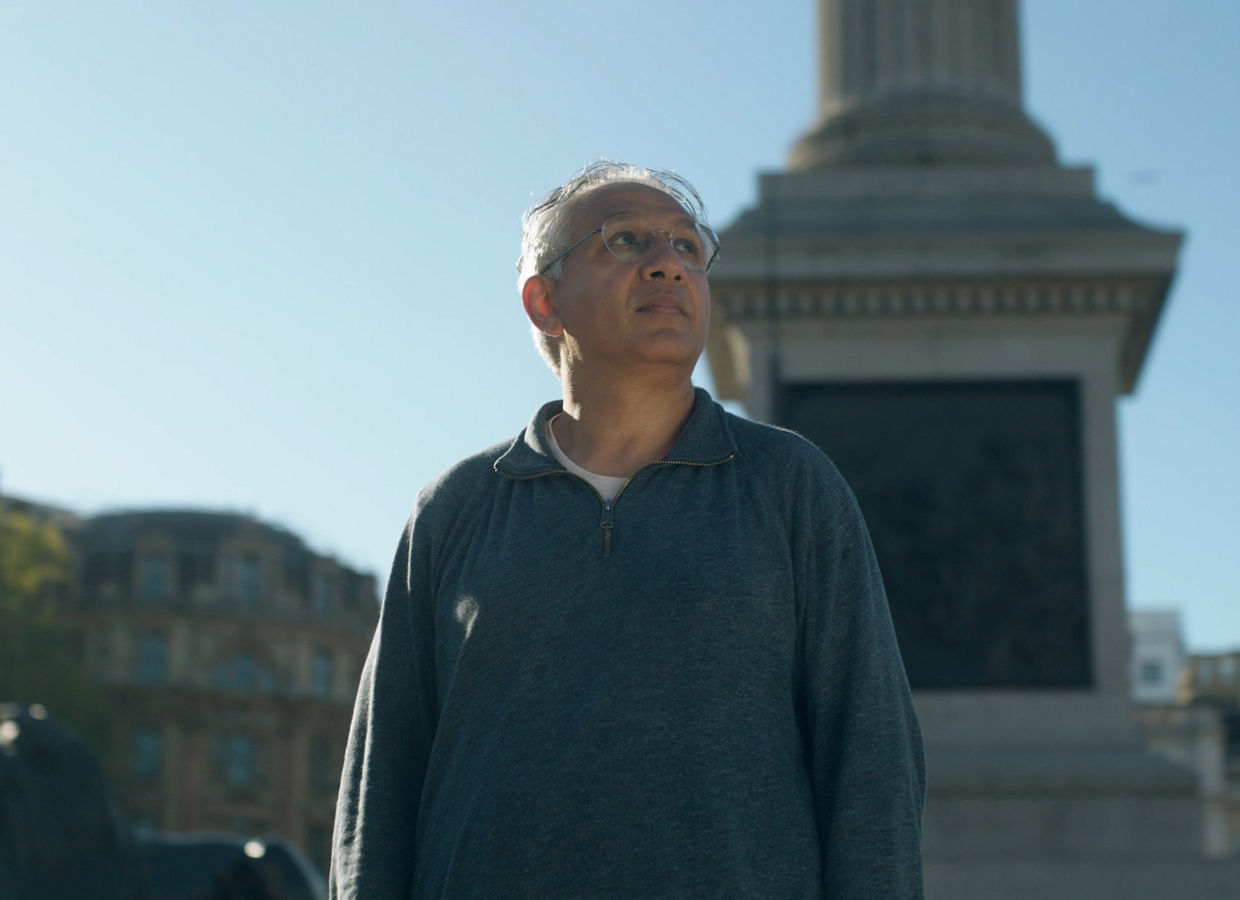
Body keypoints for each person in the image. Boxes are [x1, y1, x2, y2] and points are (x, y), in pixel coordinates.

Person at [329, 161, 924, 898]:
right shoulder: (454, 508)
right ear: (544, 300)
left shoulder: (791, 485)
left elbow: (869, 753)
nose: (668, 265)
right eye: (626, 240)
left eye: (687, 246)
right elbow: (381, 779)